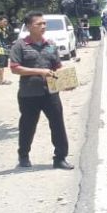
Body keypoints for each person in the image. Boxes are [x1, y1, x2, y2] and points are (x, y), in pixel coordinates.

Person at [9, 12, 73, 170]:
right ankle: (23, 155)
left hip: (50, 92)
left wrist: (65, 81)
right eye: (39, 24)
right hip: (29, 94)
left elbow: (57, 66)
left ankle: (60, 158)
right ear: (29, 26)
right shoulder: (20, 45)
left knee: (58, 124)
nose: (43, 26)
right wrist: (39, 72)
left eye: (44, 24)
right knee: (28, 126)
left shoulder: (50, 44)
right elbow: (15, 68)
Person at [0, 16, 13, 85]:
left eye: (6, 22)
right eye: (4, 21)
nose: (5, 23)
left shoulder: (4, 29)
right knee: (1, 65)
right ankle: (1, 80)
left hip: (4, 49)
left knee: (3, 65)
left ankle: (2, 79)